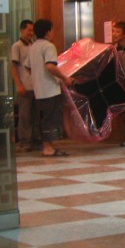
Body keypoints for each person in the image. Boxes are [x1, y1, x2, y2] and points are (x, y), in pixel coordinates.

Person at [27, 18, 75, 157]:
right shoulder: (48, 46)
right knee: (50, 118)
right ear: (48, 32)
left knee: (43, 118)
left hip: (38, 89)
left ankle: (46, 145)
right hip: (49, 89)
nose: (53, 32)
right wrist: (64, 78)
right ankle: (48, 148)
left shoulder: (33, 47)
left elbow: (28, 67)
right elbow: (50, 66)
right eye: (52, 30)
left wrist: (38, 76)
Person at [10, 19, 41, 152]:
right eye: (29, 30)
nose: (31, 33)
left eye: (32, 31)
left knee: (36, 115)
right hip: (25, 86)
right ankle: (24, 141)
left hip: (36, 86)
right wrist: (19, 85)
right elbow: (13, 67)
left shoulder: (33, 45)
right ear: (22, 30)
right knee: (25, 116)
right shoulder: (17, 46)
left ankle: (36, 140)